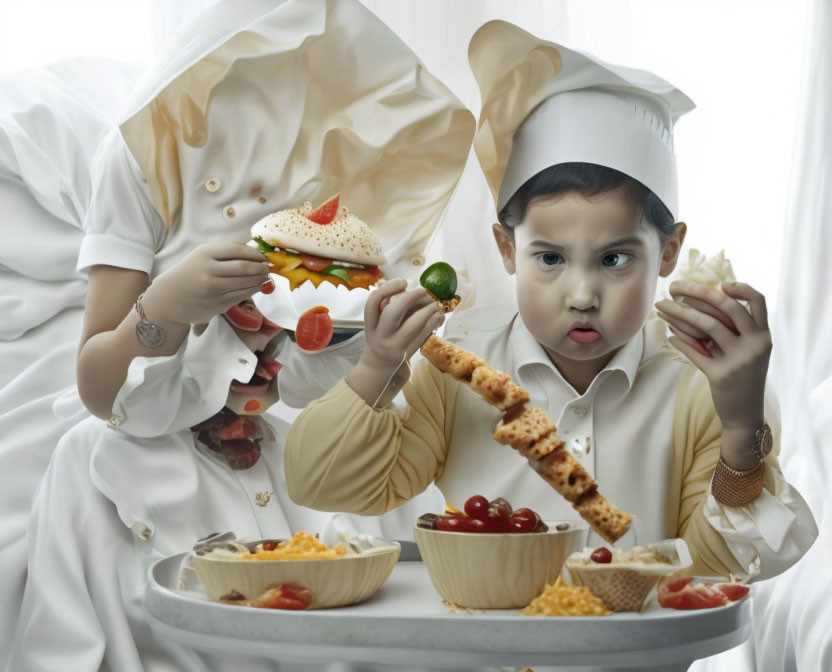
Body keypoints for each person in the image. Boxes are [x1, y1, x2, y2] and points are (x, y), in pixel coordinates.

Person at [8, 1, 474, 670]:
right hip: (151, 426)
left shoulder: (334, 187)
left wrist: (371, 347)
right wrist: (167, 305)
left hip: (284, 438)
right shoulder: (145, 156)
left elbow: (324, 368)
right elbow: (97, 383)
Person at [284, 20, 818, 588]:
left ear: (668, 251)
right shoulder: (454, 368)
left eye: (615, 259)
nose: (583, 295)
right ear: (506, 248)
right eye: (550, 259)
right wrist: (375, 368)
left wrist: (740, 427)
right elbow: (324, 485)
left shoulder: (699, 387)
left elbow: (722, 569)